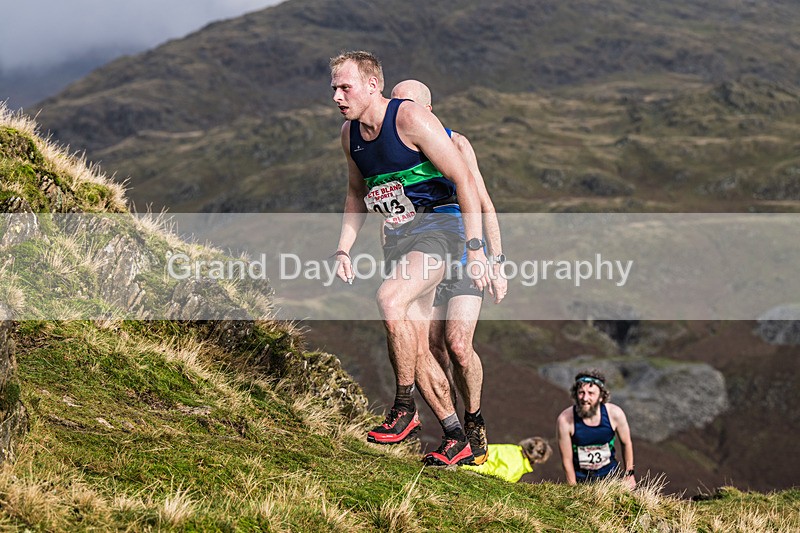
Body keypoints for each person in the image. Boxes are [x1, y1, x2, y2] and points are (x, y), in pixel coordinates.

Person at [329, 51, 490, 466]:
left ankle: (404, 409)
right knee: (414, 345)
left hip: (442, 229)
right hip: (401, 239)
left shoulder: (409, 119)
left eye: (345, 87)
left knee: (390, 299)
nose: (337, 96)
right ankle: (456, 435)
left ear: (372, 85)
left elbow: (464, 181)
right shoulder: (350, 136)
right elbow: (354, 194)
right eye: (333, 88)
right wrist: (343, 247)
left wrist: (477, 250)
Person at [390, 79, 507, 465]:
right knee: (430, 346)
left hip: (461, 248)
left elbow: (485, 204)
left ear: (427, 110)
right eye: (394, 105)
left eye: (406, 106)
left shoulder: (455, 143)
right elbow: (390, 211)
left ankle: (474, 422)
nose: (398, 114)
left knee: (457, 344)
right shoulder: (394, 152)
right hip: (419, 252)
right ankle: (452, 434)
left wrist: (496, 260)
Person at [556, 370, 636, 489]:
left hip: (611, 477)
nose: (585, 398)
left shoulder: (615, 414)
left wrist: (629, 475)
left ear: (601, 397)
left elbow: (626, 443)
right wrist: (572, 488)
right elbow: (566, 460)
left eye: (591, 393)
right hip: (582, 480)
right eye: (581, 392)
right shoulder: (565, 419)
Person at [461, 437, 552, 483]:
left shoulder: (511, 448)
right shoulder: (517, 468)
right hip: (467, 469)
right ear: (537, 460)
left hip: (463, 456)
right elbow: (497, 481)